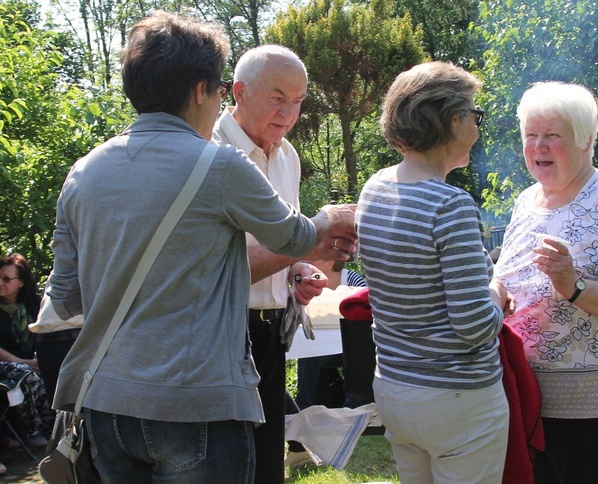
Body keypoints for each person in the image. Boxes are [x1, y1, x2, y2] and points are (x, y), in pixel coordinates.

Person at [46, 12, 355, 483]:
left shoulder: (83, 170)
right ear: (201, 91)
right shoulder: (219, 163)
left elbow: (65, 296)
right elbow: (295, 238)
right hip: (196, 401)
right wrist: (330, 218)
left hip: (103, 402)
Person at [493, 81, 598, 484]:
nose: (539, 147)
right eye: (531, 136)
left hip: (594, 403)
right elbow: (509, 274)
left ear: (587, 140)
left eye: (553, 136)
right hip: (527, 391)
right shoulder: (526, 201)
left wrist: (575, 286)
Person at [356, 61, 510, 483]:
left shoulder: (375, 188)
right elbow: (474, 325)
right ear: (454, 121)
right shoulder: (451, 205)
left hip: (394, 386)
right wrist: (497, 293)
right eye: (474, 116)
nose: (478, 130)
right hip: (456, 397)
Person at [213, 45, 357, 483]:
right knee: (229, 465)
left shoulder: (287, 156)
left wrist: (297, 271)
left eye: (298, 100)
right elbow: (219, 267)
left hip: (273, 332)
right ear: (238, 91)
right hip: (220, 333)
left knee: (266, 464)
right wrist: (310, 242)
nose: (289, 111)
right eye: (278, 97)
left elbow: (278, 245)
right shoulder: (209, 152)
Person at [295, 259, 366, 411]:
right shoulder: (310, 284)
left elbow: (365, 312)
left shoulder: (353, 280)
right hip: (322, 347)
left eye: (316, 257)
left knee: (357, 353)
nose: (309, 261)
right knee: (308, 354)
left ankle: (354, 404)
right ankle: (303, 406)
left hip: (351, 346)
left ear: (330, 262)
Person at [0, 254, 53, 455]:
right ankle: (32, 431)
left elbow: (45, 334)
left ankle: (58, 428)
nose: (0, 283)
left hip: (30, 362)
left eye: (6, 279)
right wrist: (23, 362)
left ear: (21, 282)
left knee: (51, 368)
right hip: (7, 364)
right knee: (25, 373)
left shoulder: (33, 304)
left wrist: (39, 359)